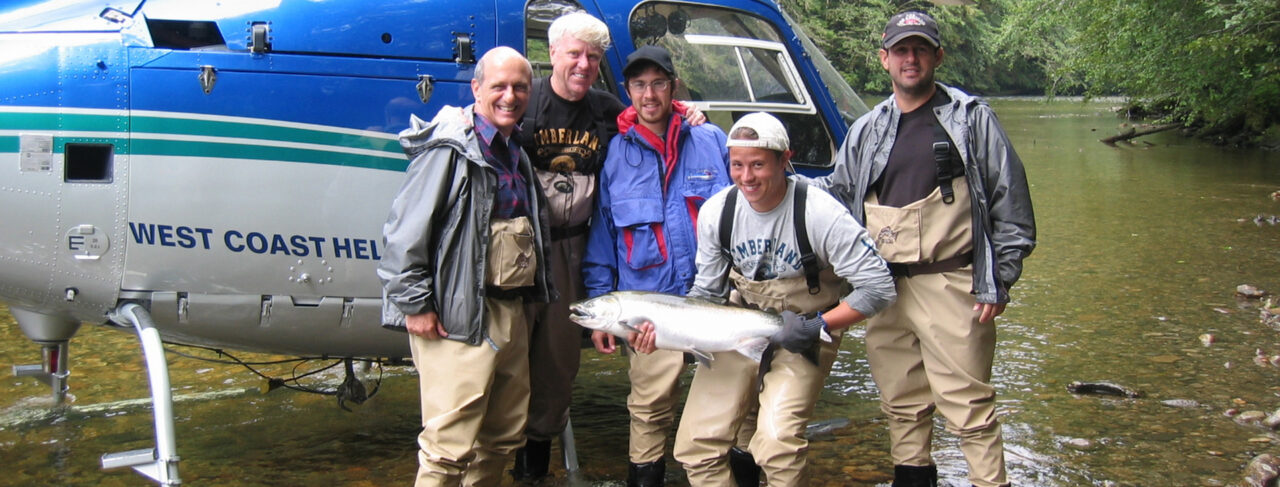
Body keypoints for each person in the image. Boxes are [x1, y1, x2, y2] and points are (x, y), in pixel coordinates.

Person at [814, 11, 1036, 487]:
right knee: (901, 404)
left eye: (919, 49)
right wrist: (772, 182)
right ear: (884, 59)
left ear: (937, 55)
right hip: (883, 289)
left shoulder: (973, 120)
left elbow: (1011, 204)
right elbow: (833, 198)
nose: (909, 59)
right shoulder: (867, 129)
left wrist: (999, 280)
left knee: (970, 408)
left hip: (953, 283)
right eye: (900, 50)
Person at [631, 112, 896, 486]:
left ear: (785, 159)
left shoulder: (821, 212)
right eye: (737, 165)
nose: (747, 177)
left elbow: (879, 287)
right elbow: (706, 295)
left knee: (776, 445)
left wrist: (817, 325)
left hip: (807, 330)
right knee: (695, 447)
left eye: (758, 165)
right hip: (739, 326)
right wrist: (664, 334)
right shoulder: (717, 212)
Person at [511, 12, 705, 484]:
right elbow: (483, 115)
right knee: (504, 364)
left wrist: (687, 113)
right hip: (518, 246)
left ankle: (533, 472)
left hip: (572, 247)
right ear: (552, 53)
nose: (582, 64)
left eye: (593, 57)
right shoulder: (523, 99)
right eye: (574, 54)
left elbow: (650, 118)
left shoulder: (604, 109)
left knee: (557, 369)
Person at [377, 46, 555, 486]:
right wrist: (414, 304)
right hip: (459, 319)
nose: (509, 96)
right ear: (476, 89)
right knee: (447, 449)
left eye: (519, 87)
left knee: (502, 438)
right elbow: (403, 234)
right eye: (498, 86)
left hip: (509, 311)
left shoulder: (515, 152)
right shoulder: (448, 148)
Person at [580, 45, 732, 486]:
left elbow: (742, 215)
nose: (650, 94)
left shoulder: (711, 140)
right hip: (649, 313)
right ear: (627, 91)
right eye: (640, 85)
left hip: (714, 304)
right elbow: (603, 239)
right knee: (648, 413)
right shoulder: (614, 156)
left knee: (738, 408)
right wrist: (600, 315)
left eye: (659, 83)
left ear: (674, 87)